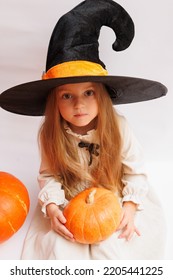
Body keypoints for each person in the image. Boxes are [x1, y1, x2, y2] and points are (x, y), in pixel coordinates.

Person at [0, 0, 167, 259]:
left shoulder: (118, 127)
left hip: (114, 195)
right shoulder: (50, 134)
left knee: (117, 249)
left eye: (88, 92)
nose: (79, 104)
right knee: (59, 250)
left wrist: (131, 206)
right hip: (72, 201)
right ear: (54, 101)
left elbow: (136, 172)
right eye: (67, 96)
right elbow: (49, 175)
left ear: (101, 96)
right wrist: (54, 207)